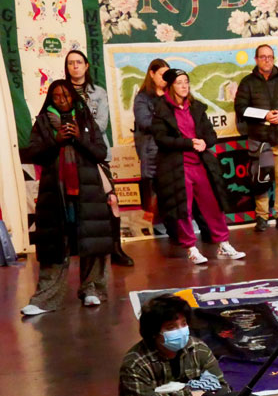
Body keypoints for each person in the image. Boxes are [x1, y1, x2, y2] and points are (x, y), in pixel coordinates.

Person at [20, 80, 116, 316]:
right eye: (56, 97)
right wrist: (57, 141)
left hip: (88, 190)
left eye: (66, 96)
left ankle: (92, 289)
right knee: (55, 245)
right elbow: (32, 153)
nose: (62, 100)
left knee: (92, 242)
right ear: (50, 99)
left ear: (74, 97)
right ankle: (45, 299)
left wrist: (78, 138)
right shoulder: (43, 122)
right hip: (56, 192)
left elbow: (101, 153)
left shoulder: (84, 119)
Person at [152, 68, 246, 264]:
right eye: (179, 82)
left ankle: (223, 243)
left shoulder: (196, 108)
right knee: (182, 208)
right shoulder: (161, 109)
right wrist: (189, 143)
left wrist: (204, 142)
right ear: (170, 87)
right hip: (176, 166)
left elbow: (210, 134)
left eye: (186, 81)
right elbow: (161, 139)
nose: (184, 86)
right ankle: (191, 247)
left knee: (212, 203)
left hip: (199, 163)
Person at [65, 48, 133, 268]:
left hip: (96, 154)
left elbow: (101, 125)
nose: (75, 66)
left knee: (110, 200)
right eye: (70, 63)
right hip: (72, 156)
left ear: (86, 66)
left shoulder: (98, 92)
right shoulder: (61, 91)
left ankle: (115, 248)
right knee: (79, 204)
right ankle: (80, 250)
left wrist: (78, 132)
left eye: (78, 62)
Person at [234, 44, 278, 232]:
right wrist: (263, 115)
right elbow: (240, 108)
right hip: (260, 141)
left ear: (273, 59)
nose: (267, 60)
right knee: (262, 180)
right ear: (256, 59)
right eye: (263, 57)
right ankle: (262, 217)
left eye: (270, 57)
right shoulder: (247, 82)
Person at [133, 58, 169, 231]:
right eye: (162, 74)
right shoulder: (142, 98)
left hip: (172, 149)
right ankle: (158, 228)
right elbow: (145, 122)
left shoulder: (172, 93)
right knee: (156, 190)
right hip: (153, 151)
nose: (166, 78)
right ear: (152, 74)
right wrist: (169, 122)